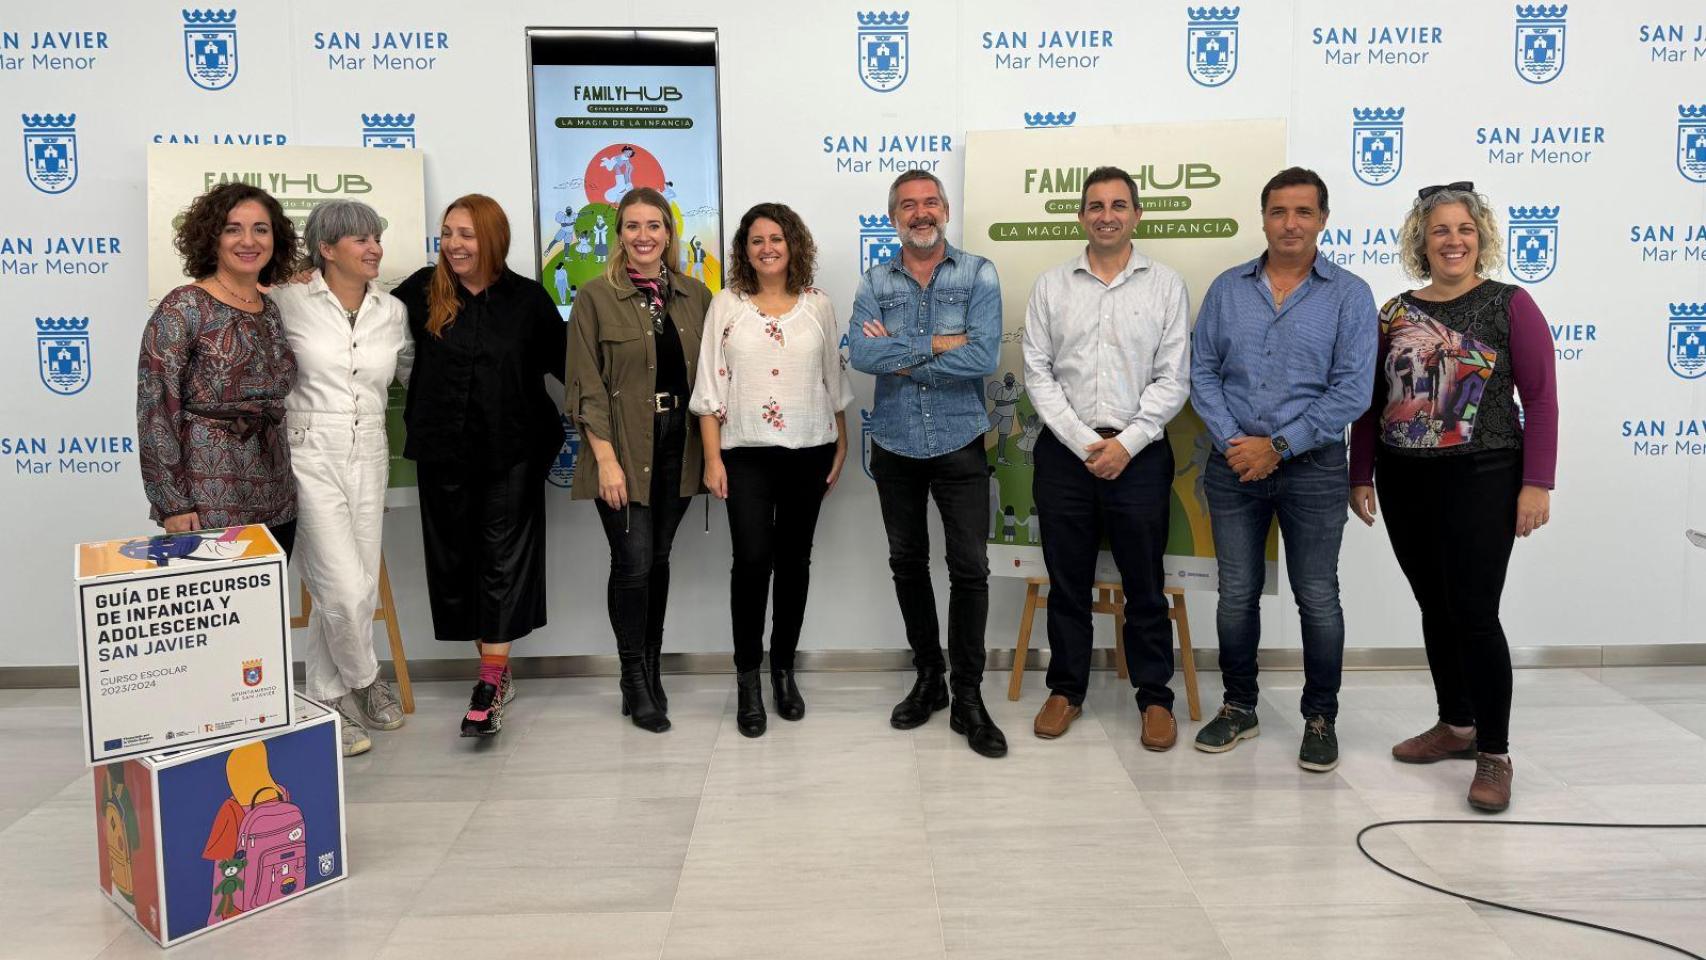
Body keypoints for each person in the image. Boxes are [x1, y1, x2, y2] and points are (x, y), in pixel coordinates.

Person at [1349, 182, 1558, 813]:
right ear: (1422, 240)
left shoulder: (1510, 304)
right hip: (1404, 475)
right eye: (1440, 230)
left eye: (1464, 229)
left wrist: (1537, 482)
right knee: (1434, 607)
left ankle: (1494, 751)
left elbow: (1542, 400)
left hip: (1485, 474)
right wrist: (1360, 474)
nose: (1453, 240)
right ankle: (1456, 725)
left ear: (1480, 236)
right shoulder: (1393, 312)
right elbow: (1370, 402)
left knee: (1473, 612)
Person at [1189, 166, 1378, 772]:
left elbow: (1352, 391)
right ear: (1263, 217)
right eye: (1278, 212)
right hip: (1233, 467)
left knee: (1317, 597)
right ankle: (1239, 706)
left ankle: (1320, 717)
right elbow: (1203, 373)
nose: (1290, 223)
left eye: (1303, 212)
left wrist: (1279, 446)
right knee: (1236, 595)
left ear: (1323, 219)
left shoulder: (1349, 294)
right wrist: (1235, 442)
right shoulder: (1226, 289)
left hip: (1315, 469)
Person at [1022, 166, 1190, 749]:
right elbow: (1037, 373)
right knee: (1068, 583)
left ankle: (1154, 698)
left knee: (1145, 584)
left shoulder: (1166, 285)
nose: (1107, 214)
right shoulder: (1050, 286)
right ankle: (1066, 690)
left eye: (1119, 204)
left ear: (1136, 215)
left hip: (1139, 454)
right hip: (1066, 454)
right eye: (1095, 205)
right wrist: (1080, 440)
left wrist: (1127, 443)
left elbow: (1174, 379)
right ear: (1081, 217)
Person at [392, 194, 565, 739]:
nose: (454, 244)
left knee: (502, 565)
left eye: (466, 234)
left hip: (512, 453)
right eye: (447, 233)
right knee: (461, 566)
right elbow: (356, 324)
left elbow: (573, 369)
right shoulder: (420, 292)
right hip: (443, 455)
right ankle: (496, 671)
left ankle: (487, 686)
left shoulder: (528, 301)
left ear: (492, 238)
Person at [848, 169, 1007, 758]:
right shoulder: (873, 280)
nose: (921, 213)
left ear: (944, 210)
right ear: (894, 217)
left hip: (961, 440)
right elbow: (863, 355)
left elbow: (985, 355)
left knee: (970, 570)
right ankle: (929, 680)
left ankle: (969, 696)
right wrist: (943, 344)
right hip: (894, 443)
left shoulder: (978, 272)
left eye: (930, 203)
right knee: (907, 564)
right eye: (909, 205)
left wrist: (903, 353)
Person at [691, 203, 853, 737]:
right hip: (745, 455)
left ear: (793, 245)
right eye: (756, 240)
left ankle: (783, 670)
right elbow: (711, 389)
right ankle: (747, 678)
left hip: (809, 449)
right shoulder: (727, 305)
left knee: (794, 562)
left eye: (776, 238)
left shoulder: (819, 306)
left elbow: (833, 380)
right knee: (752, 561)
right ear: (744, 250)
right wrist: (713, 457)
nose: (767, 248)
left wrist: (841, 443)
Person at [567, 186, 712, 734]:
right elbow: (586, 387)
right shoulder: (594, 297)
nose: (644, 236)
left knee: (658, 559)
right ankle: (633, 677)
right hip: (624, 444)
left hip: (681, 442)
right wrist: (605, 460)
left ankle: (652, 670)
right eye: (632, 225)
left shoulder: (696, 296)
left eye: (655, 225)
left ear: (669, 235)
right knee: (631, 561)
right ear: (619, 233)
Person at [271, 200, 412, 758]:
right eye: (358, 239)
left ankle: (325, 701)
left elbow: (406, 374)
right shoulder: (286, 300)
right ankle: (365, 680)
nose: (373, 246)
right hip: (307, 448)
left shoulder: (392, 311)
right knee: (346, 588)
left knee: (344, 587)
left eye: (376, 236)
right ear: (326, 249)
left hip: (371, 447)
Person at [138, 182, 299, 555]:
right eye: (233, 229)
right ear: (212, 238)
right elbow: (156, 413)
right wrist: (173, 505)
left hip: (278, 495)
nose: (249, 240)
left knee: (267, 610)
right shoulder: (183, 307)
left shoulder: (270, 308)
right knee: (223, 614)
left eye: (261, 229)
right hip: (210, 500)